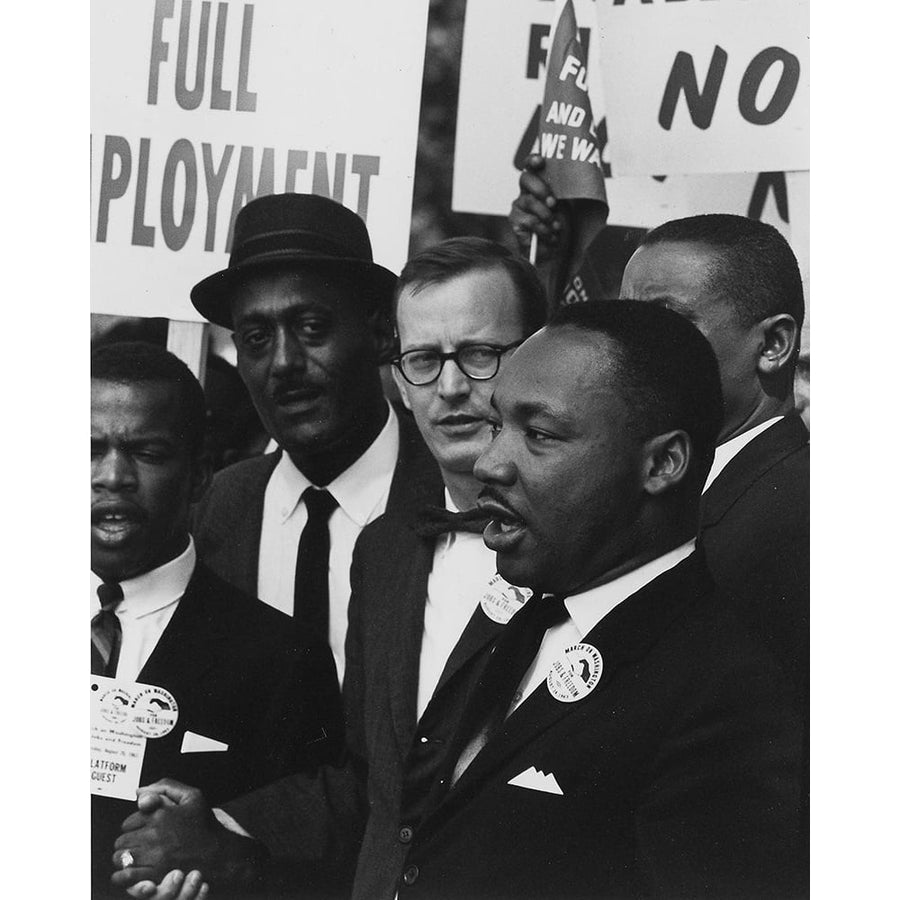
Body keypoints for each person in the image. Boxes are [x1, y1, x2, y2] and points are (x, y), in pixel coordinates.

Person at [109, 238, 548, 899]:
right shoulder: (237, 509)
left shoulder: (560, 531)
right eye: (426, 360)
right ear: (402, 369)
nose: (452, 387)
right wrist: (219, 832)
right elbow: (369, 773)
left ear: (374, 340)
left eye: (481, 355)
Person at [392, 301, 806, 897]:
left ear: (663, 462)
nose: (490, 463)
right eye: (497, 427)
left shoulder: (727, 695)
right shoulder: (522, 612)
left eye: (538, 435)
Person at [511, 171, 809, 692]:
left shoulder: (801, 520)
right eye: (626, 321)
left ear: (774, 344)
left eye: (668, 324)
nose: (631, 349)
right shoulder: (666, 486)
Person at [91, 342, 341, 898]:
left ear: (201, 476)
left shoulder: (281, 657)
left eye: (146, 452)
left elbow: (317, 863)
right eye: (87, 449)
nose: (112, 476)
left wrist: (230, 860)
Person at [188, 192, 441, 709]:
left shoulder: (451, 496)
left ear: (378, 335)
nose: (284, 362)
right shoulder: (219, 508)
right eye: (256, 337)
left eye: (311, 328)